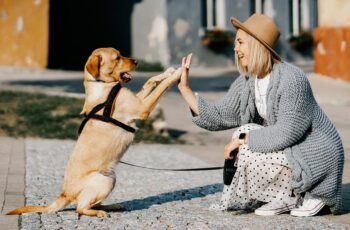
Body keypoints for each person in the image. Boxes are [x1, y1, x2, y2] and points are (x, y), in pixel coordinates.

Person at [178, 13, 344, 216]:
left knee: (245, 137)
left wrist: (242, 140)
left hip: (315, 154)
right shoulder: (248, 81)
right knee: (244, 131)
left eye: (240, 42)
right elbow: (220, 115)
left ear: (257, 45)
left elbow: (287, 132)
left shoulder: (292, 79)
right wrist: (185, 89)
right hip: (290, 150)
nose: (235, 48)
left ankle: (312, 192)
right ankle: (284, 196)